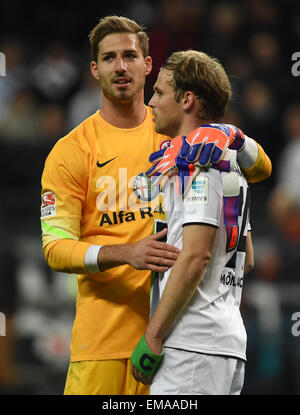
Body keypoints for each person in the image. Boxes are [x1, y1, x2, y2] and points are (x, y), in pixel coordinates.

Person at [41, 16, 271, 395]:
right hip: (103, 343)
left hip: (173, 337)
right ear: (94, 69)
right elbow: (54, 248)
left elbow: (260, 168)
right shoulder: (70, 152)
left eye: (130, 55)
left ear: (148, 65)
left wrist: (230, 133)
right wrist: (125, 252)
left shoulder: (177, 128)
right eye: (109, 58)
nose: (120, 67)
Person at [131, 50, 259, 395]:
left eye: (158, 92)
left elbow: (197, 256)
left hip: (191, 348)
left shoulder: (197, 165)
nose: (151, 102)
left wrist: (153, 335)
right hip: (225, 342)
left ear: (187, 100)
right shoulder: (229, 164)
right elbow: (246, 258)